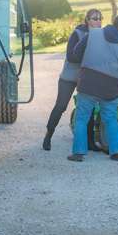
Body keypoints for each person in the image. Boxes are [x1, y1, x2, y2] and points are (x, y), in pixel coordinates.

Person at [70, 16, 118, 162]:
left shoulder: (93, 33)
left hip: (88, 82)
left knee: (81, 118)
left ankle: (78, 153)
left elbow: (76, 52)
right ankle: (117, 153)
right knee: (110, 119)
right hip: (110, 87)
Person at [43, 9, 100, 151]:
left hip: (86, 78)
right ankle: (48, 135)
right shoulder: (77, 34)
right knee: (61, 106)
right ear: (87, 20)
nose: (98, 21)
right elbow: (71, 56)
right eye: (94, 18)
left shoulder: (100, 35)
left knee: (89, 107)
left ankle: (90, 142)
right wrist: (89, 57)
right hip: (69, 77)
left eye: (100, 18)